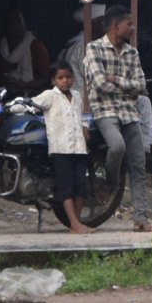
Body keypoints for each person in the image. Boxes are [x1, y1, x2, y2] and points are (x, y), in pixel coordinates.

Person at [83, 8, 152, 232]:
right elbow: (99, 84)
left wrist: (116, 80)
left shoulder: (132, 53)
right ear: (115, 25)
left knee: (138, 166)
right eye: (129, 24)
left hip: (130, 114)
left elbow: (142, 86)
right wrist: (126, 85)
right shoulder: (93, 48)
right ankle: (111, 183)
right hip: (105, 112)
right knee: (117, 146)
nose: (132, 29)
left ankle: (141, 219)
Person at [36, 61, 93, 235]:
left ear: (73, 78)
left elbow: (83, 116)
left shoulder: (76, 95)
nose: (65, 81)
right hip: (61, 147)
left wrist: (85, 129)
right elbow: (31, 104)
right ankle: (75, 224)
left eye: (68, 77)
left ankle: (75, 223)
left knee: (80, 187)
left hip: (79, 147)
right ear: (54, 80)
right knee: (66, 187)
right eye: (60, 78)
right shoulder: (49, 96)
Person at [0, 9, 50, 90]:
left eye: (18, 22)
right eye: (11, 23)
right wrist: (6, 81)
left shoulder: (35, 46)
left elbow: (45, 77)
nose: (14, 26)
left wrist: (26, 84)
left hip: (31, 94)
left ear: (24, 24)